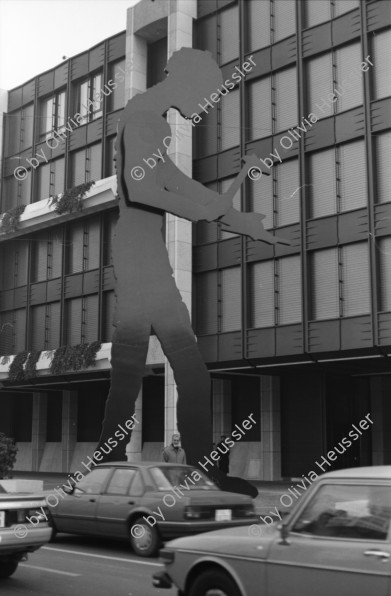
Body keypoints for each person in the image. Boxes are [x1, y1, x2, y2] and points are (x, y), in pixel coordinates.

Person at [96, 47, 286, 466]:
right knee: (161, 371)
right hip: (138, 256)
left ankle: (124, 472)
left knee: (143, 375)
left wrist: (238, 219)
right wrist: (204, 213)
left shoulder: (152, 121)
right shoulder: (143, 119)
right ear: (186, 82)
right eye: (206, 93)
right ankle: (119, 472)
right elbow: (139, 188)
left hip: (143, 254)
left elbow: (178, 183)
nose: (207, 103)